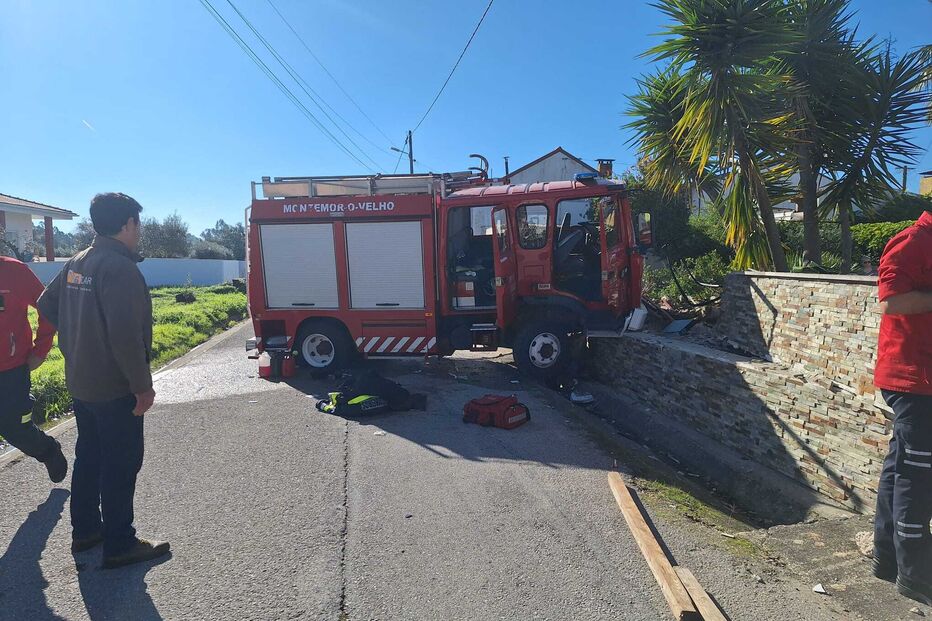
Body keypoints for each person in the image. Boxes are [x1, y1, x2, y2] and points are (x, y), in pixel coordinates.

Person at [38, 193, 169, 569]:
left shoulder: (77, 261)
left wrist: (80, 337)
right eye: (138, 224)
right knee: (121, 462)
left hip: (81, 381)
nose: (139, 231)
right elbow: (126, 335)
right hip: (115, 388)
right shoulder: (120, 268)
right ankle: (120, 543)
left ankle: (86, 532)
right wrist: (142, 387)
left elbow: (46, 305)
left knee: (90, 457)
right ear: (127, 224)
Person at [871, 209, 932, 605]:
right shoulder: (913, 241)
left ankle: (887, 558)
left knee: (901, 466)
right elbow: (891, 302)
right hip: (913, 379)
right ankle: (916, 575)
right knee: (918, 475)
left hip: (920, 376)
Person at [0, 255, 67, 482]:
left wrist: (40, 350)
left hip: (11, 370)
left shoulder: (14, 271)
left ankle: (47, 450)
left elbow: (47, 307)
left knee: (15, 428)